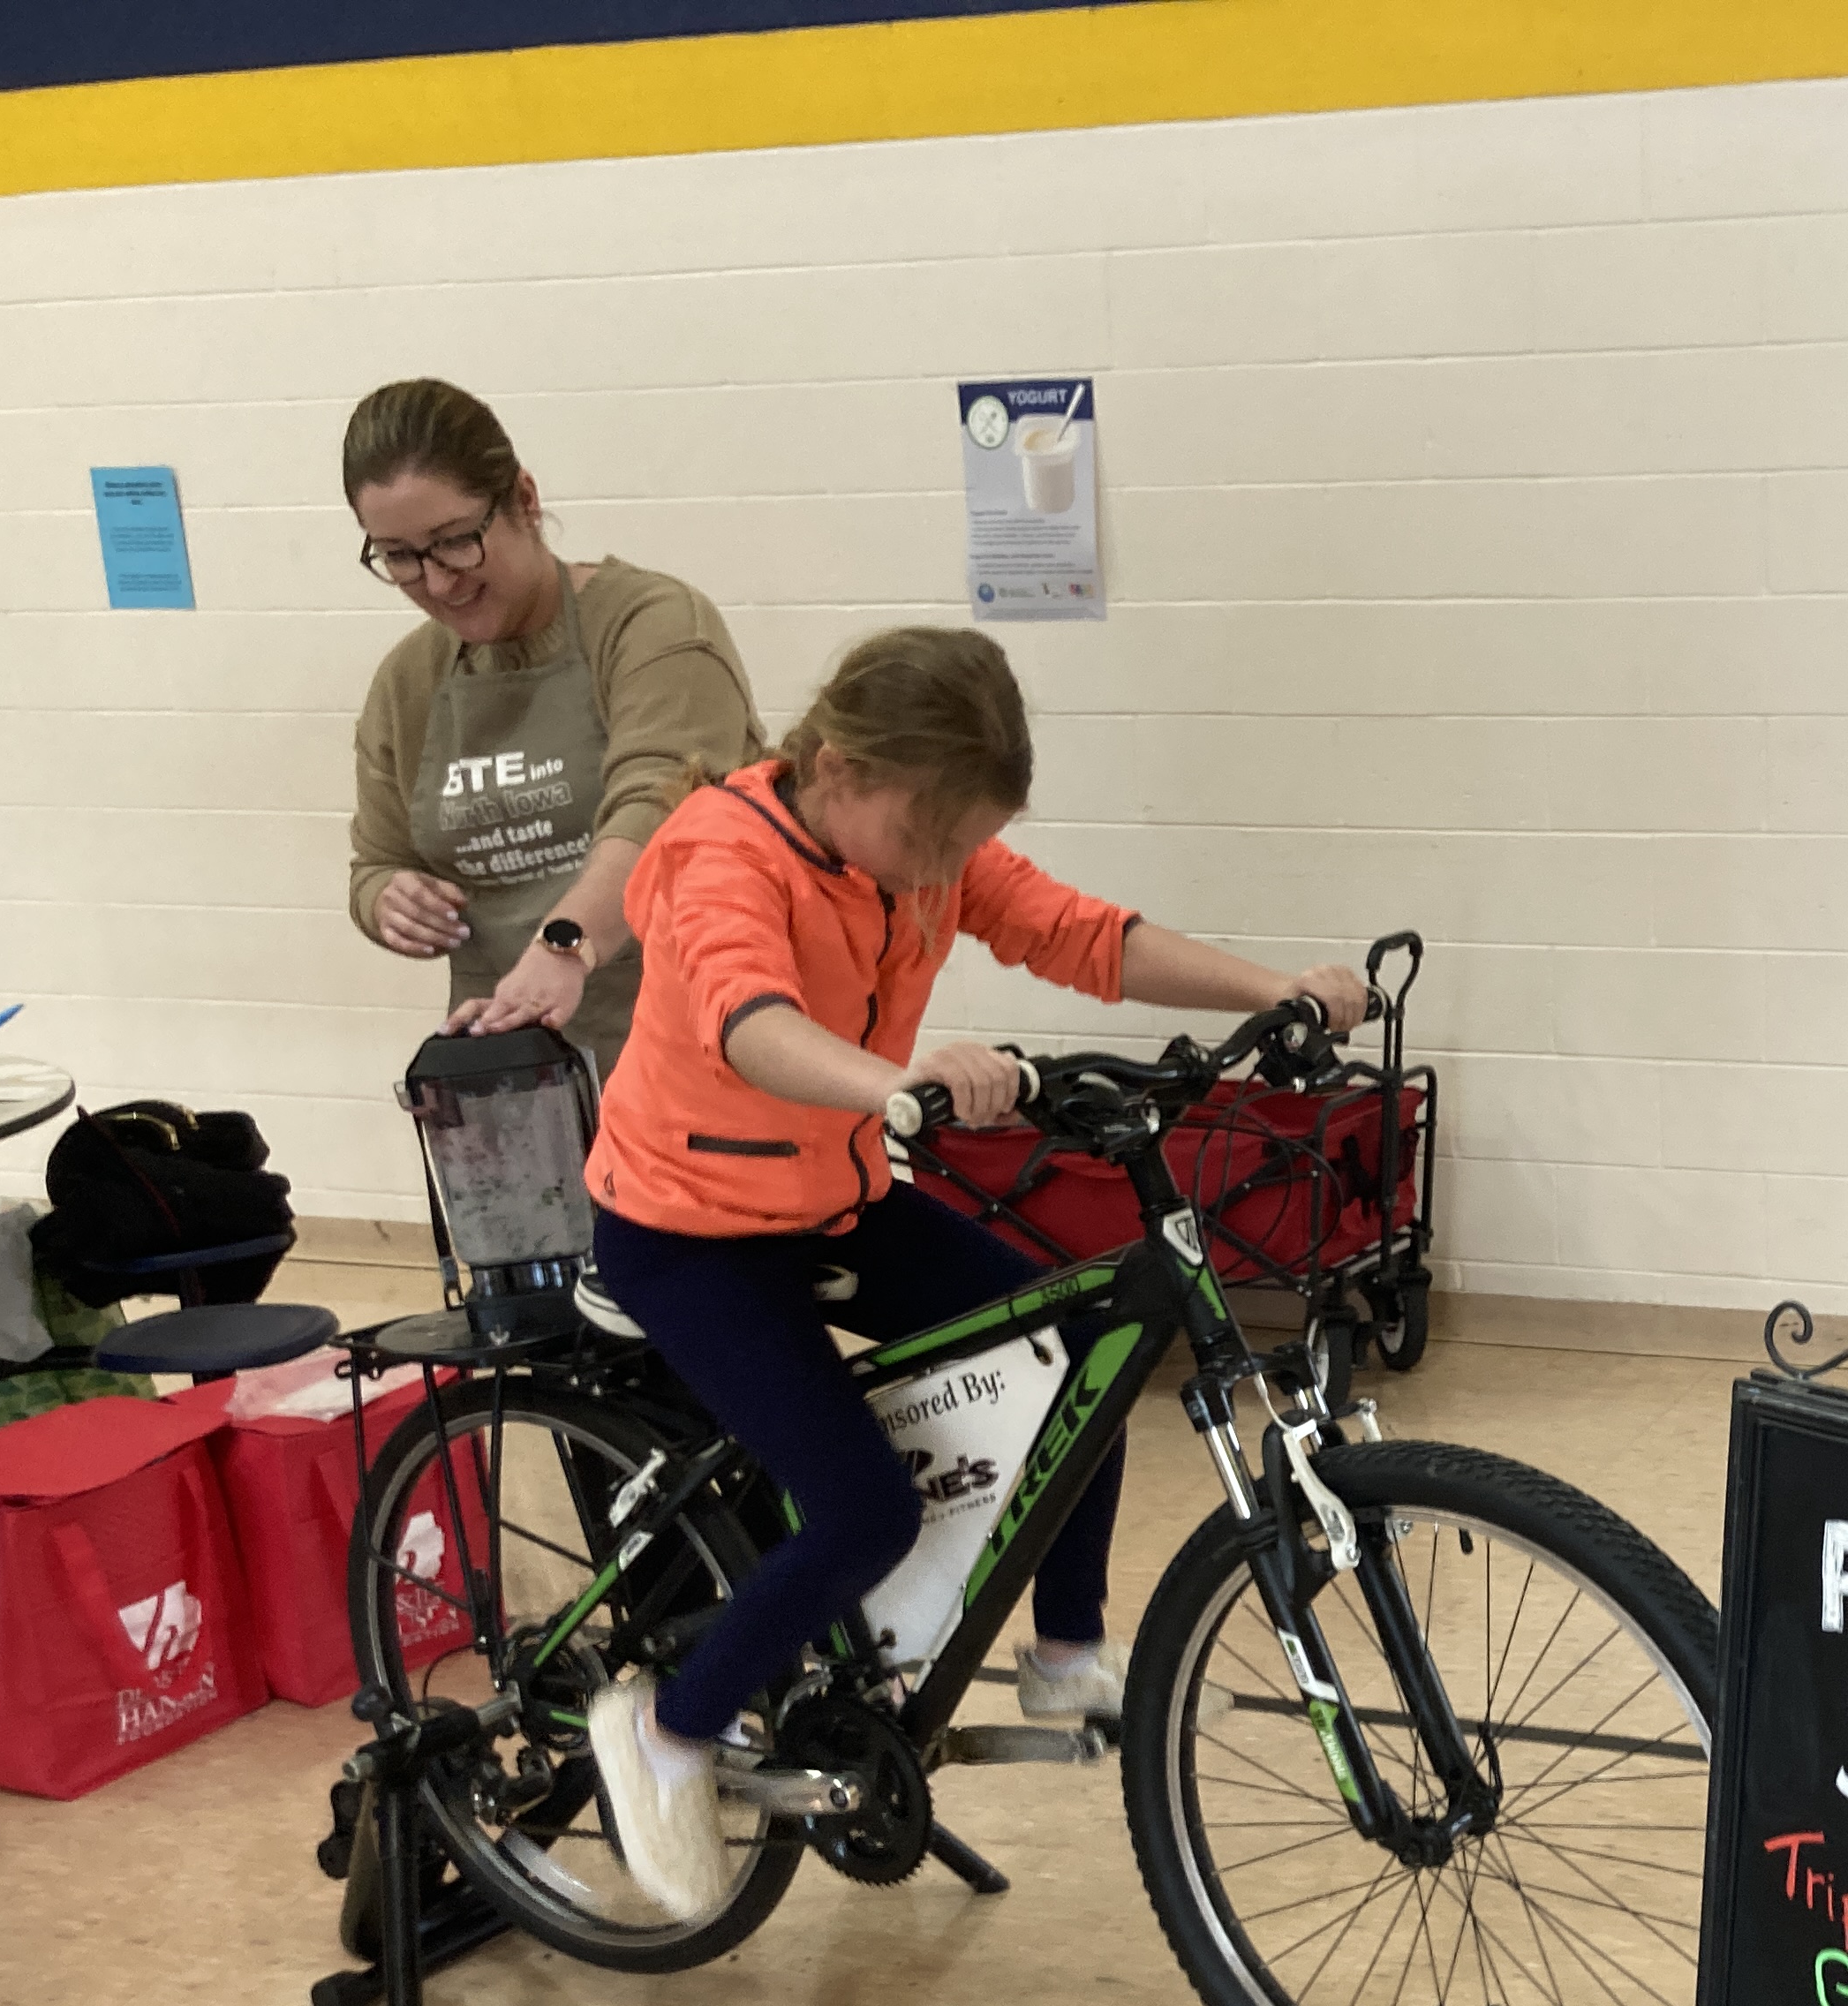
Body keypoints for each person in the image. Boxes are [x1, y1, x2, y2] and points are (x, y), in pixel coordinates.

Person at [577, 625, 1366, 1919]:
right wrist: (899, 1083)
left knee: (1082, 1357)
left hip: (831, 1201)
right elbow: (749, 1022)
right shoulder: (719, 852)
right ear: (838, 769)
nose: (948, 873)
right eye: (931, 842)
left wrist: (1275, 991)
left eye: (964, 847)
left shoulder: (914, 842)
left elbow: (1082, 936)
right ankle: (666, 1733)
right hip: (690, 1228)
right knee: (861, 1509)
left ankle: (1066, 1655)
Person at [343, 377, 766, 1075]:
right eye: (399, 556)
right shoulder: (407, 683)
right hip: (517, 1076)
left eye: (454, 542)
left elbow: (662, 808)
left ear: (525, 502)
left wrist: (563, 945)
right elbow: (376, 861)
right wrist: (387, 898)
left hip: (698, 1056)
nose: (438, 582)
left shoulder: (652, 626)